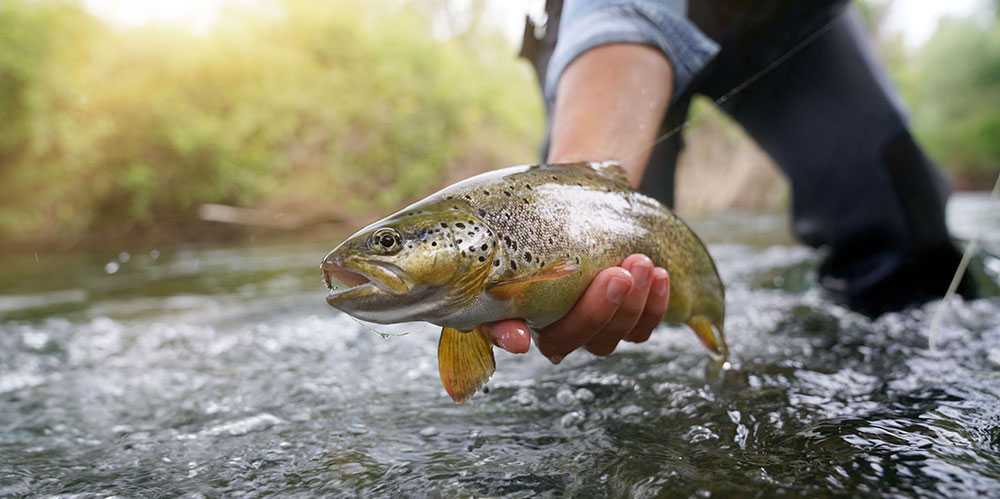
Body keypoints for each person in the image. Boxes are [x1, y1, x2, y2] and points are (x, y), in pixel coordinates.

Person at [481, 0, 976, 362]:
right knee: (581, 295)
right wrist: (568, 208)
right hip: (615, 28)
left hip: (785, 24)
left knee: (905, 241)